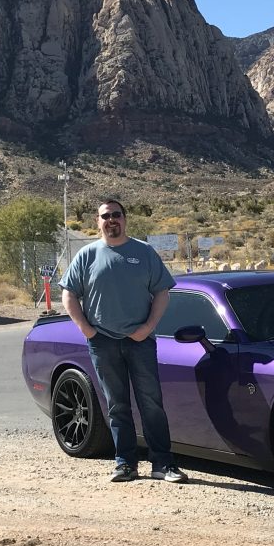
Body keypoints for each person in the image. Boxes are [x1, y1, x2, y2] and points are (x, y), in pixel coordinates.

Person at [59, 199, 188, 484]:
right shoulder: (87, 255)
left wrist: (148, 327)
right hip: (102, 342)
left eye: (116, 215)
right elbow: (68, 295)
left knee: (151, 403)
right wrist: (87, 331)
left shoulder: (143, 252)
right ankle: (125, 463)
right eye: (106, 216)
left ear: (125, 219)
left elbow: (162, 292)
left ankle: (163, 463)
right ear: (98, 221)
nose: (111, 220)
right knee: (117, 405)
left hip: (139, 342)